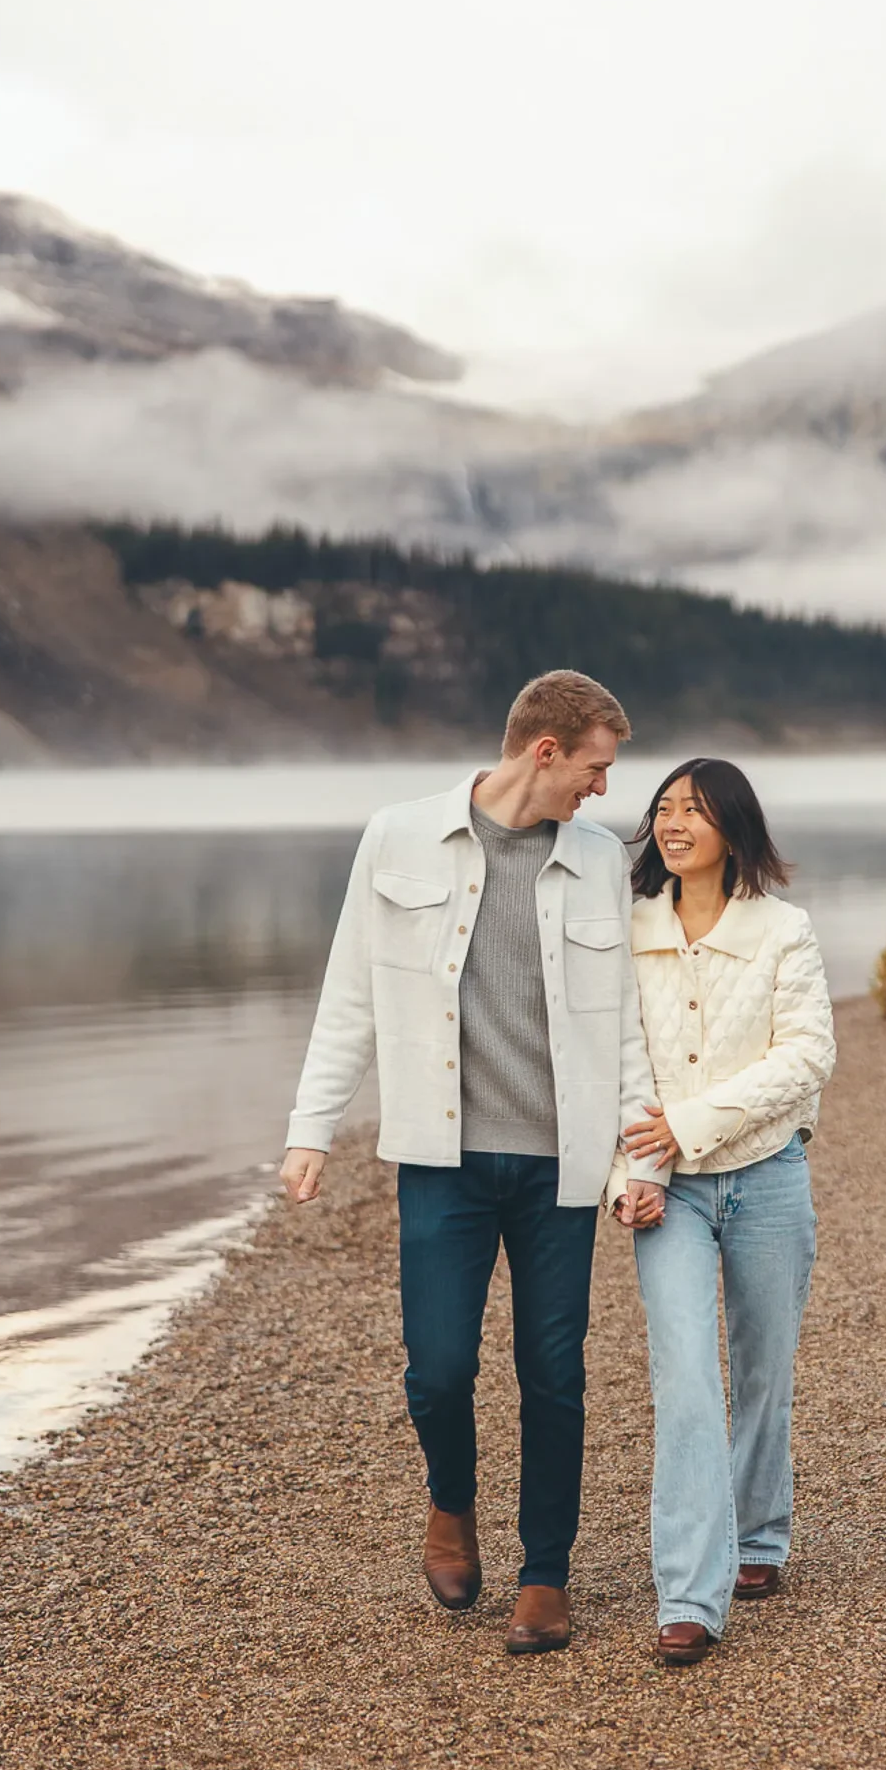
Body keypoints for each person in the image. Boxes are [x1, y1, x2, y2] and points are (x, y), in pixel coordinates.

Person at [281, 671, 667, 1657]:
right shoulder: (397, 836)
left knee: (553, 1374)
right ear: (543, 750)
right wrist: (310, 1125)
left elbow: (625, 1025)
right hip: (440, 1159)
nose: (601, 788)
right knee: (438, 1369)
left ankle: (545, 1573)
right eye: (594, 766)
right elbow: (349, 993)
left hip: (559, 1167)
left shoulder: (597, 863)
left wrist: (637, 1155)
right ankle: (449, 1500)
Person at [609, 758, 836, 1666]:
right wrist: (637, 1166)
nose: (673, 823)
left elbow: (807, 1054)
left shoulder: (784, 930)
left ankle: (759, 1538)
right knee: (687, 1384)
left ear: (732, 828)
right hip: (668, 1188)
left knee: (762, 1369)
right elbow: (617, 1061)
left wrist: (690, 1123)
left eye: (694, 811)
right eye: (663, 808)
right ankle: (691, 1597)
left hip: (770, 1175)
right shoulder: (625, 931)